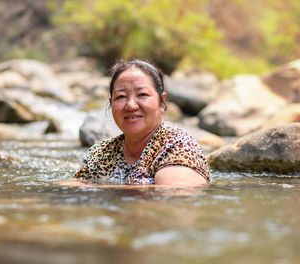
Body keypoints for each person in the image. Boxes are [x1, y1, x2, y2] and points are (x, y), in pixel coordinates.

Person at [72, 59, 210, 186]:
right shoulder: (100, 153)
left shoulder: (178, 145)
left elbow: (174, 193)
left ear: (161, 102)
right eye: (121, 96)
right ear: (111, 103)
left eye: (142, 94)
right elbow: (76, 188)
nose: (130, 105)